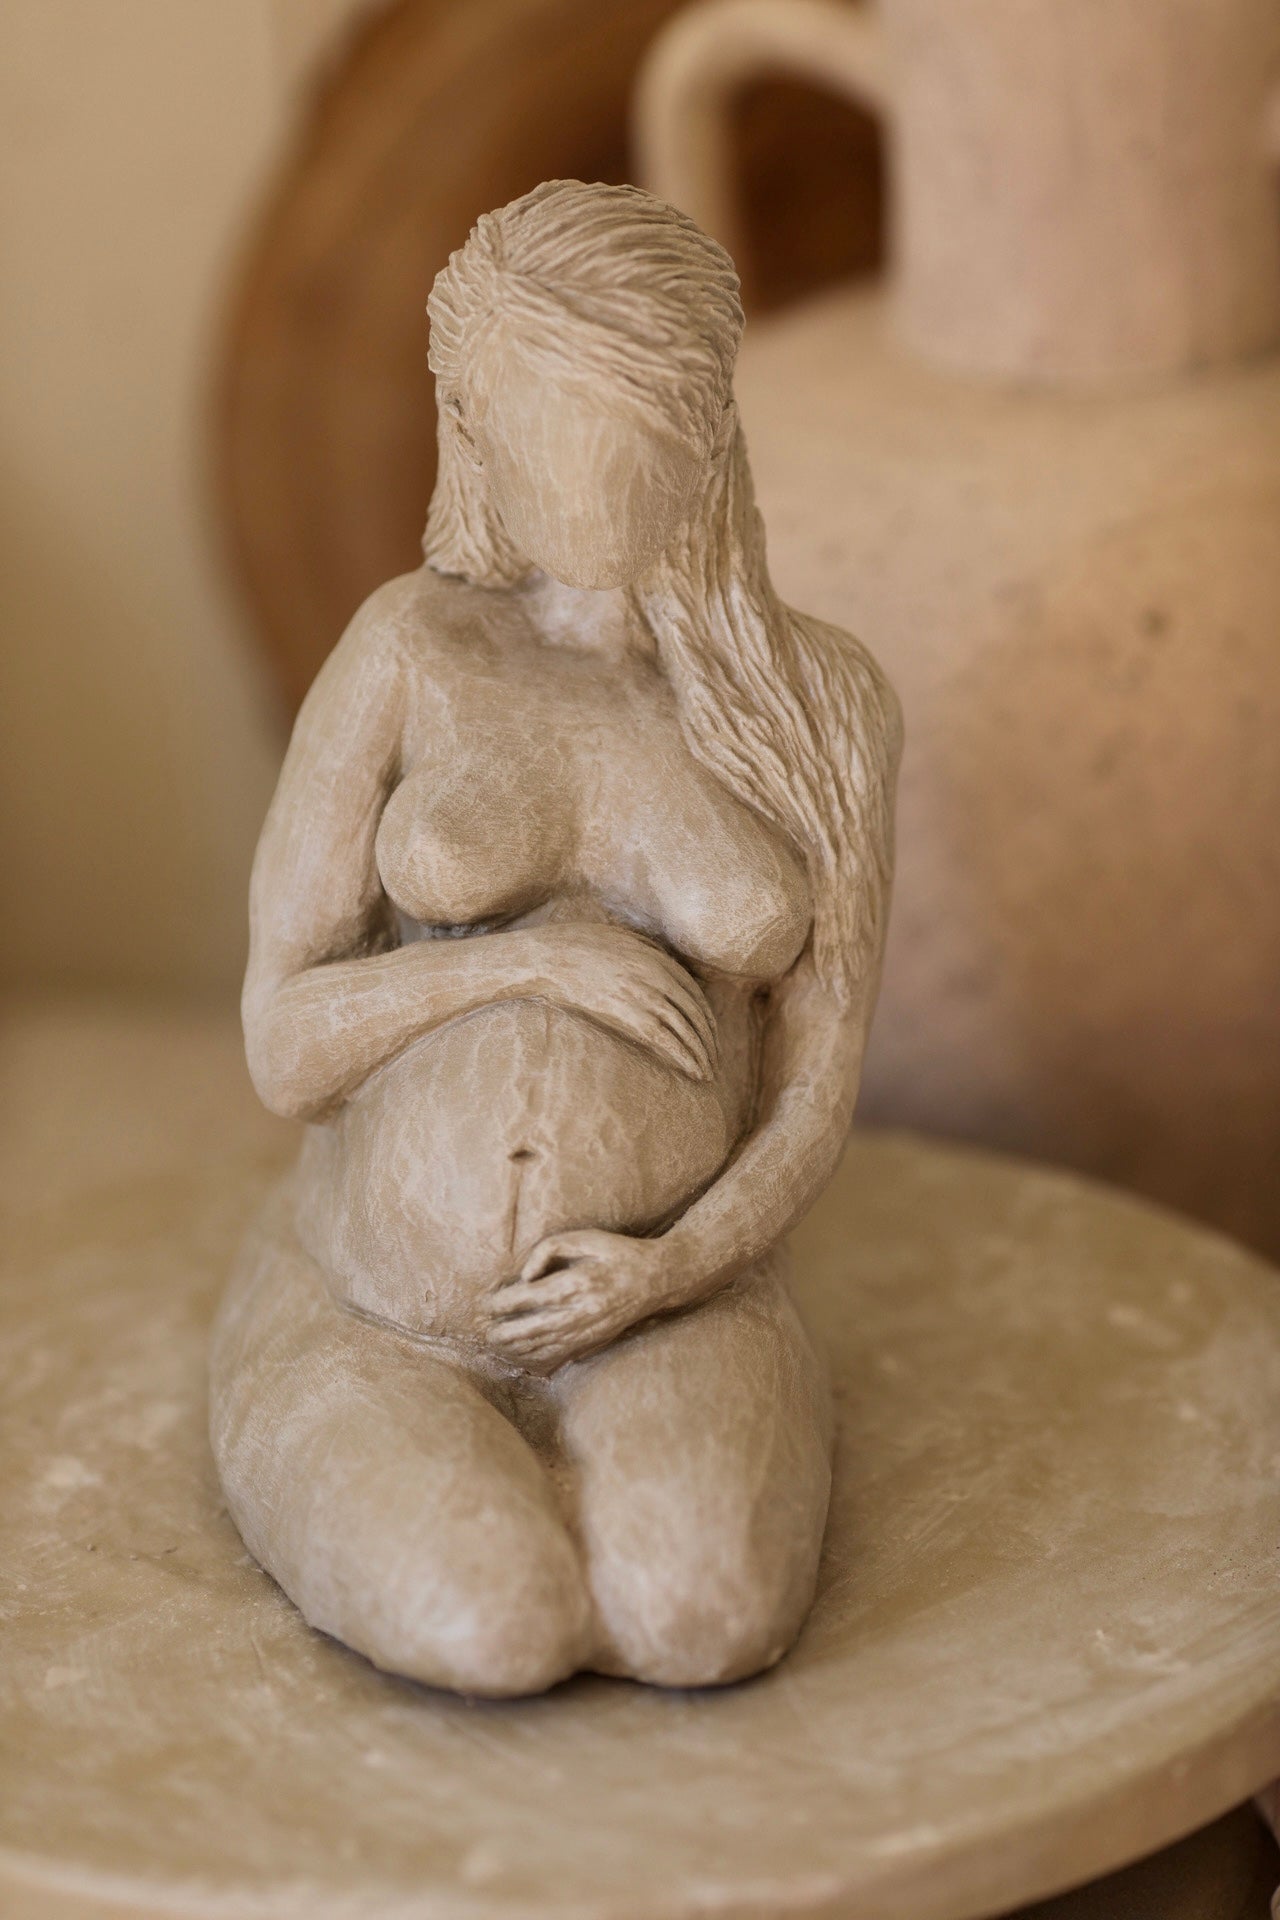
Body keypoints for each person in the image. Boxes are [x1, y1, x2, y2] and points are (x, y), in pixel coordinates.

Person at [211, 180, 900, 1696]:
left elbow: (813, 1088)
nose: (592, 480)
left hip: (678, 1296)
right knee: (493, 1620)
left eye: (628, 428)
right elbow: (284, 1045)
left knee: (701, 1614)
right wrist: (520, 960)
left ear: (701, 427)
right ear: (474, 425)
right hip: (383, 1307)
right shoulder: (409, 647)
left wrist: (670, 1268)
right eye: (552, 426)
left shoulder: (820, 707)